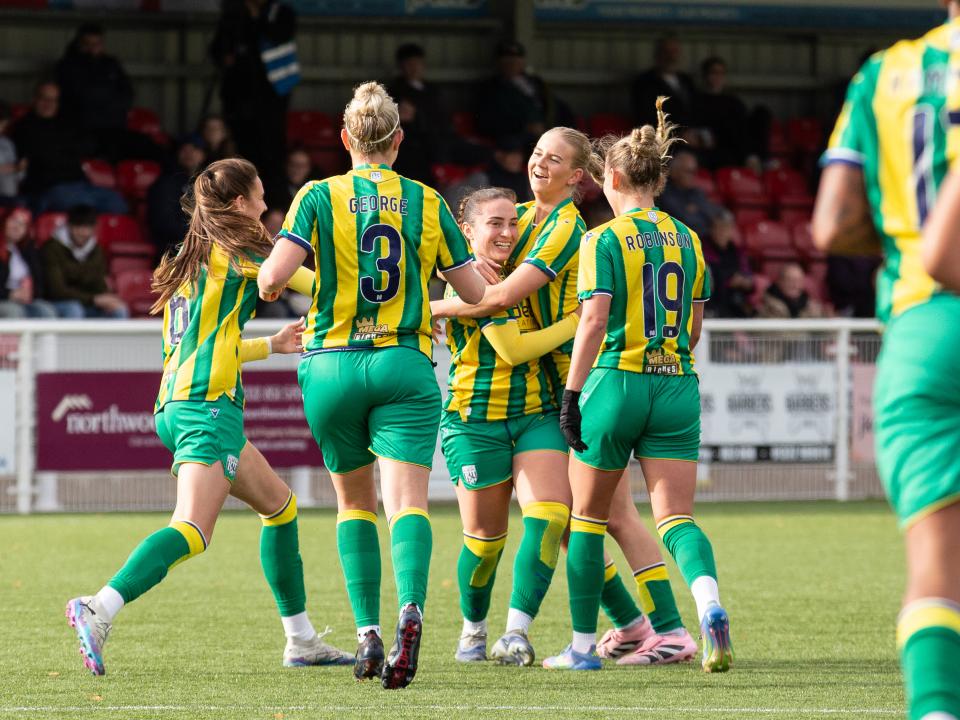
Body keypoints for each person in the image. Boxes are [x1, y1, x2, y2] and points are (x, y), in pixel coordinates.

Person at [65, 157, 352, 675]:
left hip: (175, 404)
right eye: (260, 194)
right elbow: (324, 287)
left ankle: (301, 640)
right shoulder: (244, 248)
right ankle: (99, 606)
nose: (265, 204)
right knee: (193, 529)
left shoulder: (187, 256)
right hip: (207, 408)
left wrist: (271, 345)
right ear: (240, 203)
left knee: (281, 507)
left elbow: (206, 344)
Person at [432, 126, 698, 667]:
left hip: (564, 386)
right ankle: (634, 625)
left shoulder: (566, 226)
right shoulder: (516, 217)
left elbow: (500, 303)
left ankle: (665, 630)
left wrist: (433, 308)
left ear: (579, 176)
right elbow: (465, 262)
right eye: (536, 153)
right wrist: (452, 279)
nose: (539, 164)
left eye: (554, 159)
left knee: (598, 517)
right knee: (571, 527)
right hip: (517, 395)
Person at [257, 81, 486, 689]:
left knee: (353, 503)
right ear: (398, 140)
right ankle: (411, 607)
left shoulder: (317, 195)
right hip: (402, 363)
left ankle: (367, 634)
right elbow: (473, 293)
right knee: (407, 503)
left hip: (331, 364)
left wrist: (282, 275)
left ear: (344, 138)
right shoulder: (426, 201)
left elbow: (272, 282)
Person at [545, 97, 732, 673]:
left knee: (586, 520)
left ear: (614, 177)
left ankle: (582, 649)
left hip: (616, 382)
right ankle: (708, 604)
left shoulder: (602, 239)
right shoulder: (690, 239)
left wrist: (572, 395)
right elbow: (694, 328)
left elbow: (594, 320)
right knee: (675, 518)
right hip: (675, 385)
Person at [813, 4, 960, 716]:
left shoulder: (884, 72)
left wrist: (905, 235)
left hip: (916, 335)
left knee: (936, 570)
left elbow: (832, 223)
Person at [434, 187, 579, 666]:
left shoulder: (522, 272)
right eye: (494, 223)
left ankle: (516, 631)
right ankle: (472, 630)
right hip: (474, 421)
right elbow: (513, 350)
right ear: (467, 231)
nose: (507, 232)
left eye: (512, 223)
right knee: (484, 543)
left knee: (551, 517)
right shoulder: (468, 279)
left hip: (536, 413)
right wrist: (578, 322)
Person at [210, 0, 296, 198]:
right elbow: (217, 48)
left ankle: (273, 204)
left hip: (271, 99)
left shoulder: (281, 12)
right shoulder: (233, 14)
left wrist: (256, 15)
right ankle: (240, 198)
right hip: (238, 99)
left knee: (271, 153)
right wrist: (225, 57)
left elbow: (278, 36)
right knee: (241, 153)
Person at [11, 82, 127, 215]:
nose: (49, 103)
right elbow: (40, 155)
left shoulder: (66, 123)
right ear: (34, 99)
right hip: (48, 189)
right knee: (79, 202)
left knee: (117, 202)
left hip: (79, 184)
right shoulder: (24, 127)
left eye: (54, 100)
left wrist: (61, 149)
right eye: (44, 98)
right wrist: (66, 149)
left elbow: (88, 146)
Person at [476, 41, 572, 147]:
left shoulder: (536, 83)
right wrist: (524, 126)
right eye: (507, 56)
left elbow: (556, 106)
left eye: (517, 56)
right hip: (516, 136)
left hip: (547, 131)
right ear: (498, 61)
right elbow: (486, 121)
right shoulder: (489, 87)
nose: (513, 61)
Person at [40, 204, 128, 319]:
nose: (84, 233)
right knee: (74, 309)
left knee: (119, 309)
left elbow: (99, 284)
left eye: (88, 228)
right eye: (79, 227)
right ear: (69, 226)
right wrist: (94, 299)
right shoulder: (51, 248)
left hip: (89, 303)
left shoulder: (96, 249)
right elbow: (57, 291)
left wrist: (107, 297)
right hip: (57, 303)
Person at [386, 43, 446, 185]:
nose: (413, 68)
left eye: (417, 63)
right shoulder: (394, 92)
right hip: (410, 145)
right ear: (401, 66)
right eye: (409, 64)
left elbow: (442, 119)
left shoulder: (433, 91)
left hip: (436, 139)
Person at [146, 134, 207, 261]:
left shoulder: (209, 183)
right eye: (184, 149)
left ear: (203, 154)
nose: (189, 153)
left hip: (202, 248)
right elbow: (165, 224)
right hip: (174, 252)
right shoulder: (166, 184)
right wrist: (199, 235)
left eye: (194, 148)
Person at [692, 56, 749, 168]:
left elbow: (743, 131)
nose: (718, 77)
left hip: (733, 151)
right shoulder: (695, 101)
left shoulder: (735, 103)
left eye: (721, 73)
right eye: (714, 72)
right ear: (705, 75)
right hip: (708, 151)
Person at [0, 207, 57, 318]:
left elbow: (39, 282)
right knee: (14, 311)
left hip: (23, 301)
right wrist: (10, 294)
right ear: (4, 221)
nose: (17, 227)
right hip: (4, 300)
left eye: (23, 224)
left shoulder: (27, 250)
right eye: (14, 220)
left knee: (46, 310)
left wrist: (31, 292)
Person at [632, 36, 697, 130]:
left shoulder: (686, 80)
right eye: (666, 52)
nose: (671, 56)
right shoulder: (644, 83)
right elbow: (646, 118)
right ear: (657, 55)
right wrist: (680, 133)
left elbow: (694, 110)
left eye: (674, 51)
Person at [702, 210, 754, 318]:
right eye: (719, 227)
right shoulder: (702, 248)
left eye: (726, 228)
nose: (722, 232)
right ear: (711, 229)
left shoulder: (737, 252)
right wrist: (729, 281)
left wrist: (745, 281)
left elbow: (748, 277)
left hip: (735, 301)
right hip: (711, 303)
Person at [657, 149, 718, 236]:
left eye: (695, 171)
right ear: (674, 172)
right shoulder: (664, 193)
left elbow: (712, 214)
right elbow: (686, 221)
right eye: (689, 172)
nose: (693, 176)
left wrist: (695, 210)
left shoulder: (696, 192)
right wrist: (699, 211)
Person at [757, 262, 825, 319]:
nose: (794, 285)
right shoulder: (764, 307)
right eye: (789, 280)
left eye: (798, 280)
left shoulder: (813, 308)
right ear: (779, 281)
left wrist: (826, 316)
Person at [0, 101, 25, 204]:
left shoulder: (7, 144)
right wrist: (14, 168)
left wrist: (20, 168)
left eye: (3, 125)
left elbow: (20, 173)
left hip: (10, 197)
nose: (2, 128)